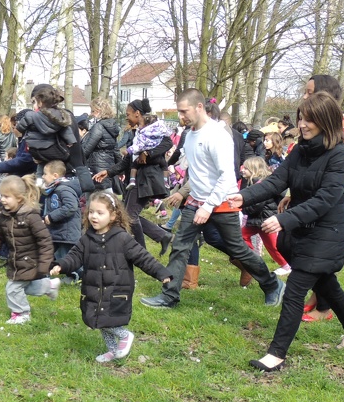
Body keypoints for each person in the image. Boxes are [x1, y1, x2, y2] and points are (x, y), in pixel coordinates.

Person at [227, 92, 344, 371]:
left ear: (325, 121)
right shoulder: (300, 151)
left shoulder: (340, 156)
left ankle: (276, 354)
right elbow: (277, 180)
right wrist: (245, 197)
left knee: (294, 291)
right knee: (327, 284)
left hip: (326, 234)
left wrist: (285, 219)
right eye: (301, 117)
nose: (302, 124)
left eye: (310, 119)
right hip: (301, 233)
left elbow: (325, 199)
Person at [140, 88, 284, 309]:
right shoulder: (189, 135)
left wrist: (207, 207)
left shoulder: (217, 135)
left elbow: (226, 175)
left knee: (237, 248)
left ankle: (272, 284)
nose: (181, 117)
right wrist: (185, 194)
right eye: (179, 112)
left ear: (199, 107)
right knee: (180, 246)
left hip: (221, 202)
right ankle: (169, 296)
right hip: (196, 202)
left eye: (184, 111)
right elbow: (197, 173)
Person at [51, 191, 171, 362]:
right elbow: (75, 256)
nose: (94, 216)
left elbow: (143, 257)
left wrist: (161, 273)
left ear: (113, 215)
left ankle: (125, 335)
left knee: (109, 321)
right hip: (93, 288)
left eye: (100, 213)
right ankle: (113, 351)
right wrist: (61, 265)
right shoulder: (87, 238)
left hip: (116, 289)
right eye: (91, 212)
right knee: (98, 320)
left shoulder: (122, 238)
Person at [292, 75, 344, 321]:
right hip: (308, 195)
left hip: (334, 197)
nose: (305, 96)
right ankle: (324, 301)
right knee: (311, 253)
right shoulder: (308, 121)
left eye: (309, 91)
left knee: (319, 252)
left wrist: (330, 180)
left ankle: (324, 306)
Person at [93, 99, 172, 254]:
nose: (127, 117)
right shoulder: (137, 133)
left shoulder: (154, 130)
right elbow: (127, 161)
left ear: (137, 113)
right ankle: (162, 236)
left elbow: (168, 143)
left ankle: (141, 253)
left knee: (129, 216)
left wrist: (148, 153)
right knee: (126, 214)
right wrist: (108, 172)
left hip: (147, 180)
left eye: (128, 114)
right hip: (135, 180)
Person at [0, 175, 60, 324]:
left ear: (19, 198)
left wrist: (44, 264)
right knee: (28, 287)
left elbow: (45, 241)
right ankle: (49, 286)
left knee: (13, 288)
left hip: (30, 260)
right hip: (17, 260)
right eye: (1, 195)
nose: (2, 199)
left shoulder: (31, 217)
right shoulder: (4, 215)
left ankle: (21, 313)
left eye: (6, 196)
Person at [239, 157, 292, 277]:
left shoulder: (260, 185)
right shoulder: (252, 182)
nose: (243, 170)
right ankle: (252, 259)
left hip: (264, 219)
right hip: (258, 220)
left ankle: (286, 265)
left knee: (272, 245)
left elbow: (256, 205)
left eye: (246, 168)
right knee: (242, 236)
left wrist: (242, 207)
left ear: (254, 170)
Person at [16, 86, 77, 177]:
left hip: (36, 149)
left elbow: (20, 128)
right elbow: (65, 129)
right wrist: (71, 141)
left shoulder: (31, 115)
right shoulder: (60, 116)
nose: (34, 105)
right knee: (51, 170)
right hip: (52, 149)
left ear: (40, 102)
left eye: (34, 102)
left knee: (40, 169)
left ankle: (40, 183)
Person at [41, 160, 82, 279]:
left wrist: (52, 217)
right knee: (54, 254)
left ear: (55, 176)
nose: (43, 176)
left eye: (45, 174)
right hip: (59, 231)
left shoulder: (63, 189)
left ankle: (78, 275)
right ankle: (45, 274)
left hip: (66, 232)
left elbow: (71, 206)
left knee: (67, 256)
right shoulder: (54, 189)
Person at [82, 97, 120, 191]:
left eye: (93, 111)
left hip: (96, 167)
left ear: (99, 111)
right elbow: (115, 150)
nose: (91, 114)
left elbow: (86, 149)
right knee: (107, 196)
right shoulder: (112, 127)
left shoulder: (98, 127)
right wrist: (120, 169)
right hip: (108, 166)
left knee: (94, 198)